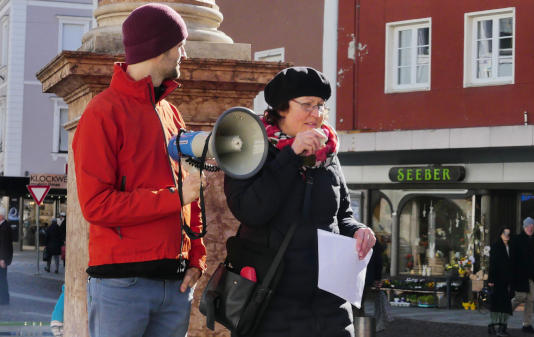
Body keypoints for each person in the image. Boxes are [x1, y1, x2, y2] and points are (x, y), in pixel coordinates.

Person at [71, 3, 206, 337]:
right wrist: (174, 198)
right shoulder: (102, 113)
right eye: (180, 46)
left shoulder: (171, 113)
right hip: (122, 285)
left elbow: (191, 190)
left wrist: (197, 259)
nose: (184, 55)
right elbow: (96, 205)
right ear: (160, 48)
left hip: (175, 285)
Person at [224, 66, 376, 337]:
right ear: (281, 108)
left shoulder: (327, 154)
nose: (316, 114)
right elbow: (251, 211)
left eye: (320, 106)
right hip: (272, 303)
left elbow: (342, 215)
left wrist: (359, 231)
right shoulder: (250, 148)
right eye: (307, 105)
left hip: (330, 305)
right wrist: (292, 154)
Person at [511, 217, 534, 333]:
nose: (530, 228)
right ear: (524, 227)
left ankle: (527, 324)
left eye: (532, 227)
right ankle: (501, 316)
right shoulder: (518, 239)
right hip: (520, 274)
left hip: (531, 274)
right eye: (528, 226)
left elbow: (532, 255)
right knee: (519, 297)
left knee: (530, 299)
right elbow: (513, 258)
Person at [487, 227, 514, 336]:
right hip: (497, 279)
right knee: (497, 304)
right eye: (505, 233)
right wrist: (491, 279)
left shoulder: (511, 246)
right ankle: (493, 326)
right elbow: (492, 263)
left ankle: (502, 327)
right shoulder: (496, 246)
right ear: (501, 234)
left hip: (508, 280)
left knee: (506, 305)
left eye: (508, 233)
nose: (507, 235)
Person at [0, 205, 13, 305]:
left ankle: (4, 299)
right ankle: (4, 298)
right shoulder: (4, 226)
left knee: (2, 279)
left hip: (2, 259)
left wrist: (3, 259)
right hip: (2, 258)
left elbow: (4, 245)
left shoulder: (4, 227)